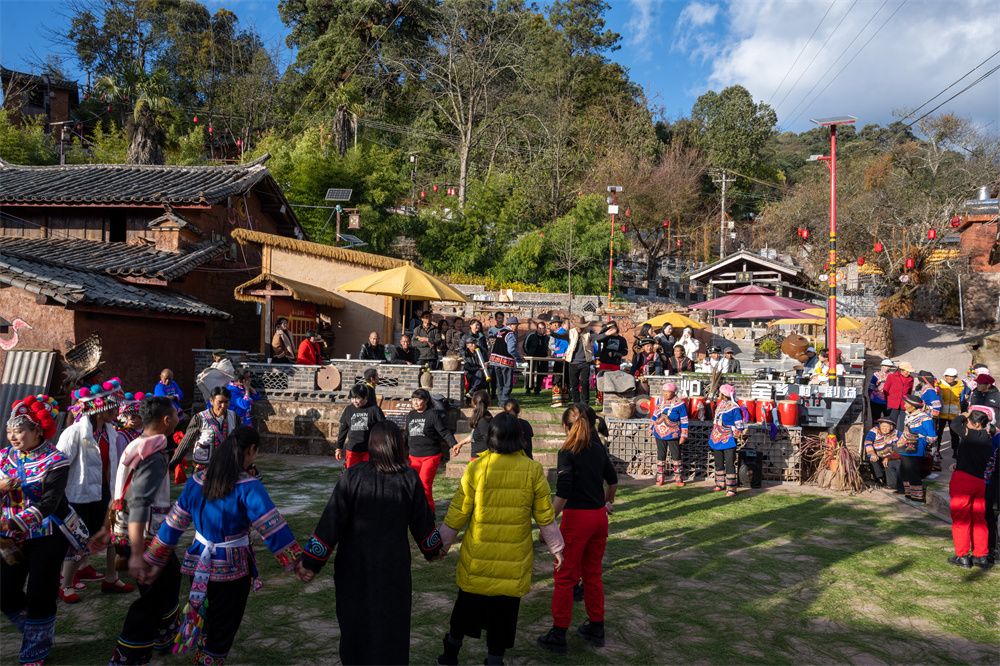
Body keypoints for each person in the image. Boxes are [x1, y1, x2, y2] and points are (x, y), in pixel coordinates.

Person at [142, 427, 302, 665]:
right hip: (231, 569)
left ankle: (203, 654)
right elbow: (271, 526)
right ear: (251, 450)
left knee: (205, 616)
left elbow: (174, 523)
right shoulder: (248, 486)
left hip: (198, 563)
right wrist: (297, 562)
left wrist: (154, 558)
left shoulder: (197, 480)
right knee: (223, 627)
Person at [297, 421, 444, 664]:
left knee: (354, 624)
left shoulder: (352, 476)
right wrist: (434, 549)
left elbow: (330, 523)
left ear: (371, 445)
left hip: (353, 567)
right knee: (391, 626)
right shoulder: (409, 479)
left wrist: (311, 561)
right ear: (398, 445)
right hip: (392, 569)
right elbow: (424, 526)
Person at [437, 413, 565, 666]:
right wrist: (556, 548)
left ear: (490, 438)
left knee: (464, 610)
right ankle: (495, 660)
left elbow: (458, 511)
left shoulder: (476, 467)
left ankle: (449, 655)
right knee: (503, 617)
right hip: (512, 561)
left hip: (478, 558)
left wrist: (442, 544)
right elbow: (545, 515)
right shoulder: (532, 470)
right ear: (520, 438)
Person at [100, 396, 182, 665]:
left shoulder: (136, 445)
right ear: (166, 420)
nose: (178, 419)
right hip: (145, 538)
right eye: (176, 415)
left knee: (167, 581)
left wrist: (106, 528)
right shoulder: (153, 455)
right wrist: (137, 554)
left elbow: (120, 490)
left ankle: (164, 635)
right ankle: (129, 652)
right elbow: (139, 502)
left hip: (127, 532)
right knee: (154, 596)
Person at [2, 394, 78, 665]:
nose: (13, 436)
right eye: (10, 430)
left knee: (40, 591)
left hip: (47, 534)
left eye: (20, 430)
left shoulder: (57, 460)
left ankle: (35, 648)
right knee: (5, 591)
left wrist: (12, 522)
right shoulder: (4, 457)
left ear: (38, 430)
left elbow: (49, 503)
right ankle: (37, 631)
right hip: (10, 538)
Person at [537, 405, 618, 655]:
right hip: (598, 517)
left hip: (577, 519)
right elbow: (613, 480)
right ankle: (596, 626)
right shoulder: (598, 448)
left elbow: (562, 493)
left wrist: (547, 524)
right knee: (592, 574)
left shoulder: (567, 451)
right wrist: (607, 503)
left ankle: (559, 632)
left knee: (564, 577)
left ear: (566, 426)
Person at [57, 378, 132, 602]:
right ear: (100, 409)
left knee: (112, 535)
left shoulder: (111, 432)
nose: (117, 411)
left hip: (105, 493)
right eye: (113, 407)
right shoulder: (74, 433)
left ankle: (111, 577)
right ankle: (65, 584)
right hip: (79, 495)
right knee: (78, 540)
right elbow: (59, 466)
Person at [947, 410, 998, 569]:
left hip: (963, 480)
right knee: (979, 520)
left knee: (961, 519)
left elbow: (954, 424)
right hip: (979, 481)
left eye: (968, 421)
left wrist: (964, 413)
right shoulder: (988, 438)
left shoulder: (970, 434)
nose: (966, 423)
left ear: (975, 424)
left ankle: (962, 555)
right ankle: (981, 555)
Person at [404, 389, 457, 512]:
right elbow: (406, 434)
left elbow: (444, 432)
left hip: (430, 456)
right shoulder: (411, 415)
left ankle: (429, 513)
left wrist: (453, 444)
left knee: (424, 485)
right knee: (413, 485)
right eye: (413, 399)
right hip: (413, 456)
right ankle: (415, 512)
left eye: (419, 399)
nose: (415, 402)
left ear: (426, 400)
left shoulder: (432, 414)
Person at [171, 386, 238, 473]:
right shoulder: (199, 418)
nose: (223, 406)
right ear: (211, 401)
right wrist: (172, 464)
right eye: (220, 402)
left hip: (225, 466)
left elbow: (238, 440)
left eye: (226, 402)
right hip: (203, 467)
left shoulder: (234, 417)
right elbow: (186, 443)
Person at [897, 394, 937, 504]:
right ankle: (909, 494)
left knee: (913, 471)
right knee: (905, 471)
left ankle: (917, 497)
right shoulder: (908, 415)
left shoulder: (925, 418)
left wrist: (921, 441)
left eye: (906, 403)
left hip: (916, 448)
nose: (904, 405)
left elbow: (932, 436)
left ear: (913, 406)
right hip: (905, 447)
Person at [709, 384, 746, 497]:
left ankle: (731, 488)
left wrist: (736, 431)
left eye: (720, 393)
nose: (719, 395)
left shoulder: (734, 408)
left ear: (723, 394)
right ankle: (720, 483)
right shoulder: (720, 404)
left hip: (728, 438)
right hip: (717, 437)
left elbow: (739, 424)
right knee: (718, 462)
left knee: (729, 463)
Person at [337, 384, 386, 468]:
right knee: (351, 473)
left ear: (365, 397)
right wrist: (339, 447)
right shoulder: (348, 410)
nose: (355, 401)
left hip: (369, 450)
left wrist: (382, 446)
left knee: (368, 472)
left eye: (358, 398)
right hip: (352, 450)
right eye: (352, 398)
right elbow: (343, 429)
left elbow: (383, 428)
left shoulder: (374, 409)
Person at [650, 383, 689, 487]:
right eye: (664, 392)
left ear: (673, 392)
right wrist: (651, 427)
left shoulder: (680, 404)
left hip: (673, 433)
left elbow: (684, 420)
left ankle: (678, 477)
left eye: (668, 392)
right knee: (661, 455)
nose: (665, 394)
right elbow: (655, 414)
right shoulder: (660, 401)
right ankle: (660, 477)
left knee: (676, 455)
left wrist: (684, 435)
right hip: (659, 432)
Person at [488, 315, 522, 405]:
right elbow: (511, 350)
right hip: (506, 361)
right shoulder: (510, 334)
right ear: (511, 325)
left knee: (500, 383)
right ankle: (504, 401)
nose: (517, 327)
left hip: (495, 361)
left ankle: (500, 401)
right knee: (507, 383)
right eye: (516, 325)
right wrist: (518, 358)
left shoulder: (500, 332)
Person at [452, 391, 491, 460]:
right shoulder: (481, 417)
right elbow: (475, 435)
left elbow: (490, 441)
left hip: (481, 460)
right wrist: (460, 444)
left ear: (474, 403)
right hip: (478, 458)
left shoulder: (484, 421)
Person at [916, 371, 943, 469]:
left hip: (928, 419)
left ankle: (934, 462)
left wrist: (925, 410)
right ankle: (926, 461)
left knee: (931, 439)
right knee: (924, 439)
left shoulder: (930, 391)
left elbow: (937, 406)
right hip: (923, 418)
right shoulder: (923, 388)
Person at [565, 316, 595, 404]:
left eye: (582, 327)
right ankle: (576, 403)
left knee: (584, 383)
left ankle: (585, 402)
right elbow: (560, 335)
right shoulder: (571, 332)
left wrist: (606, 334)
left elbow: (598, 337)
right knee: (574, 384)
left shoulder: (588, 333)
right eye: (578, 327)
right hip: (573, 362)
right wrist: (552, 333)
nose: (580, 329)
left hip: (585, 362)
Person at [938, 368, 970, 449]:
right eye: (947, 376)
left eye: (952, 376)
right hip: (941, 414)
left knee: (954, 434)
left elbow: (968, 393)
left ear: (955, 377)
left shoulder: (962, 385)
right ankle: (937, 451)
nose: (949, 378)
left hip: (954, 415)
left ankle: (955, 451)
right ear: (944, 376)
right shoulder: (939, 384)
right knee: (938, 433)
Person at [863, 418, 900, 487]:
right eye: (883, 426)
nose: (884, 429)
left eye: (887, 427)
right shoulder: (874, 431)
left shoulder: (896, 433)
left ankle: (891, 482)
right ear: (879, 425)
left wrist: (890, 456)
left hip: (890, 455)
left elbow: (902, 443)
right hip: (877, 454)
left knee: (893, 463)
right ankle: (880, 479)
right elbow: (868, 443)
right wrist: (872, 453)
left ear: (891, 427)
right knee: (873, 459)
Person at [885, 361, 915, 428]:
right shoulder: (891, 377)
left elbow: (909, 393)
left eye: (910, 372)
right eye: (907, 371)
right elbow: (886, 390)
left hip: (904, 405)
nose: (909, 373)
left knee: (902, 424)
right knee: (892, 423)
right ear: (902, 370)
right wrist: (887, 402)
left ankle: (900, 434)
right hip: (892, 404)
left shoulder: (911, 379)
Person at [523, 322, 550, 395]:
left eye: (543, 328)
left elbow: (549, 347)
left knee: (541, 373)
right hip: (532, 357)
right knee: (530, 373)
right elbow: (525, 345)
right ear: (537, 328)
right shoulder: (531, 335)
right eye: (540, 328)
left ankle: (537, 389)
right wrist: (529, 354)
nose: (541, 330)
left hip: (543, 358)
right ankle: (528, 389)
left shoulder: (547, 337)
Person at [548, 318, 570, 396]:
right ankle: (566, 394)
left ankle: (557, 395)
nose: (551, 326)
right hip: (566, 357)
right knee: (566, 375)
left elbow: (551, 345)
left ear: (556, 324)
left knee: (558, 375)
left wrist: (555, 349)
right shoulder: (567, 333)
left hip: (560, 358)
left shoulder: (557, 333)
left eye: (551, 324)